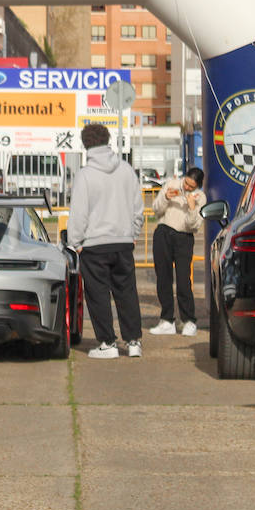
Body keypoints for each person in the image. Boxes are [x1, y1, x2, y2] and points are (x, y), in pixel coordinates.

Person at [68, 123, 144, 359]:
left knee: (98, 294)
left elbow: (79, 213)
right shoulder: (126, 170)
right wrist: (132, 234)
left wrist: (75, 242)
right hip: (122, 242)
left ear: (85, 144)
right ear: (108, 140)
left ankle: (108, 343)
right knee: (127, 292)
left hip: (93, 245)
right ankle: (133, 342)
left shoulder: (85, 175)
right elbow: (138, 208)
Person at [148, 167, 205, 336]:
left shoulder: (200, 197)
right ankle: (167, 320)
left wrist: (192, 207)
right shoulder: (171, 185)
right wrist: (166, 198)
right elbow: (156, 209)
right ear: (184, 178)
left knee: (183, 279)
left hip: (184, 237)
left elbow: (193, 225)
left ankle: (188, 320)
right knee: (163, 277)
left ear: (198, 186)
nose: (187, 187)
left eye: (191, 186)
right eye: (186, 183)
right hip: (163, 232)